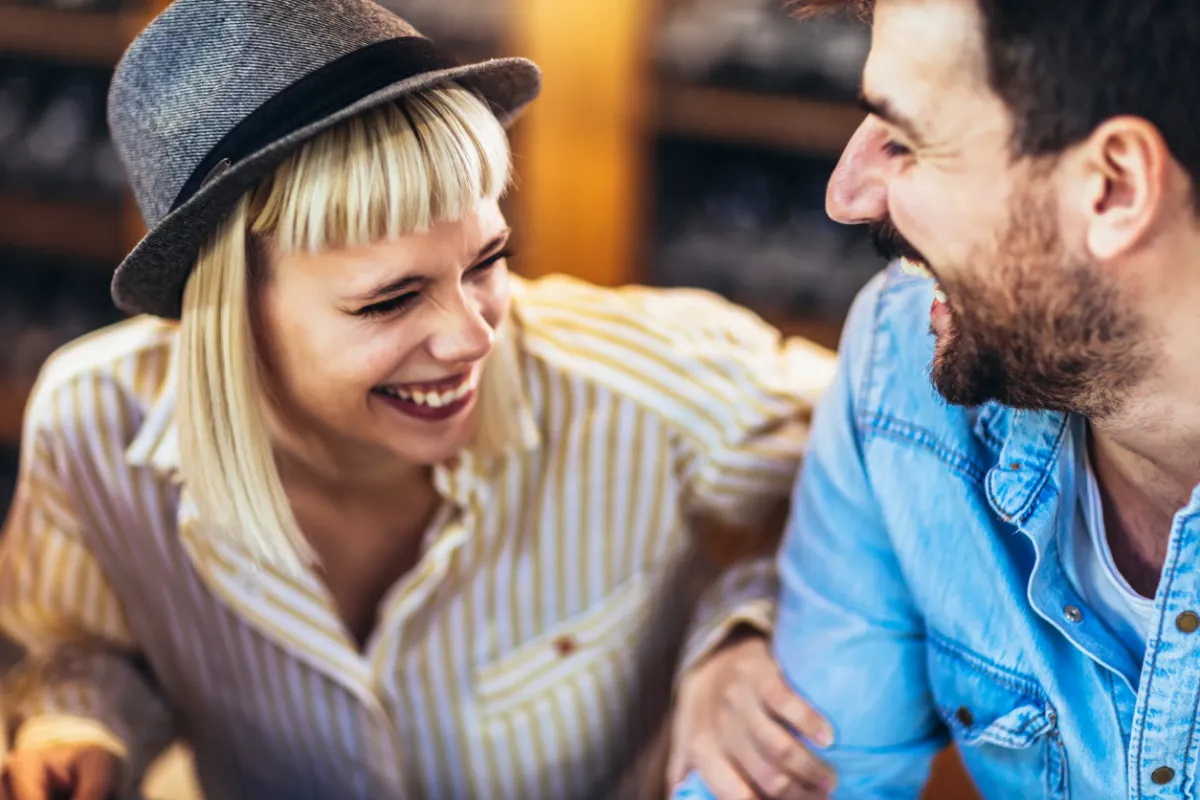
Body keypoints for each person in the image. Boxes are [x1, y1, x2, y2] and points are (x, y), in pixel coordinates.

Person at [0, 1, 842, 798]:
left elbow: (874, 449)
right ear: (228, 317)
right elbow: (86, 643)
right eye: (390, 300)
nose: (474, 336)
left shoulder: (647, 387)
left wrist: (742, 630)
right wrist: (82, 726)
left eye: (486, 261)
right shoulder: (93, 429)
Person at [673, 0, 1200, 797]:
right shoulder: (904, 363)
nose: (847, 195)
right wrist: (733, 616)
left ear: (1114, 187)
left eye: (907, 139)